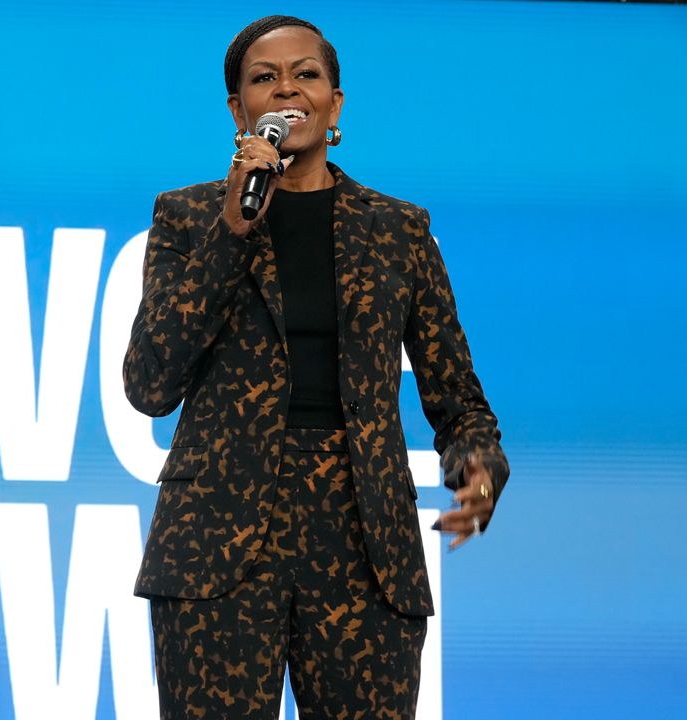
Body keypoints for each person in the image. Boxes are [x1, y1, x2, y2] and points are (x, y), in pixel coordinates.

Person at [124, 15, 508, 720]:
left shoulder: (398, 230)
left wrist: (477, 466)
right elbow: (150, 383)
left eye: (306, 74)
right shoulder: (187, 219)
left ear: (336, 105)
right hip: (218, 548)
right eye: (263, 79)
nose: (286, 90)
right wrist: (232, 231)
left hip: (363, 546)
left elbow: (458, 398)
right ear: (239, 111)